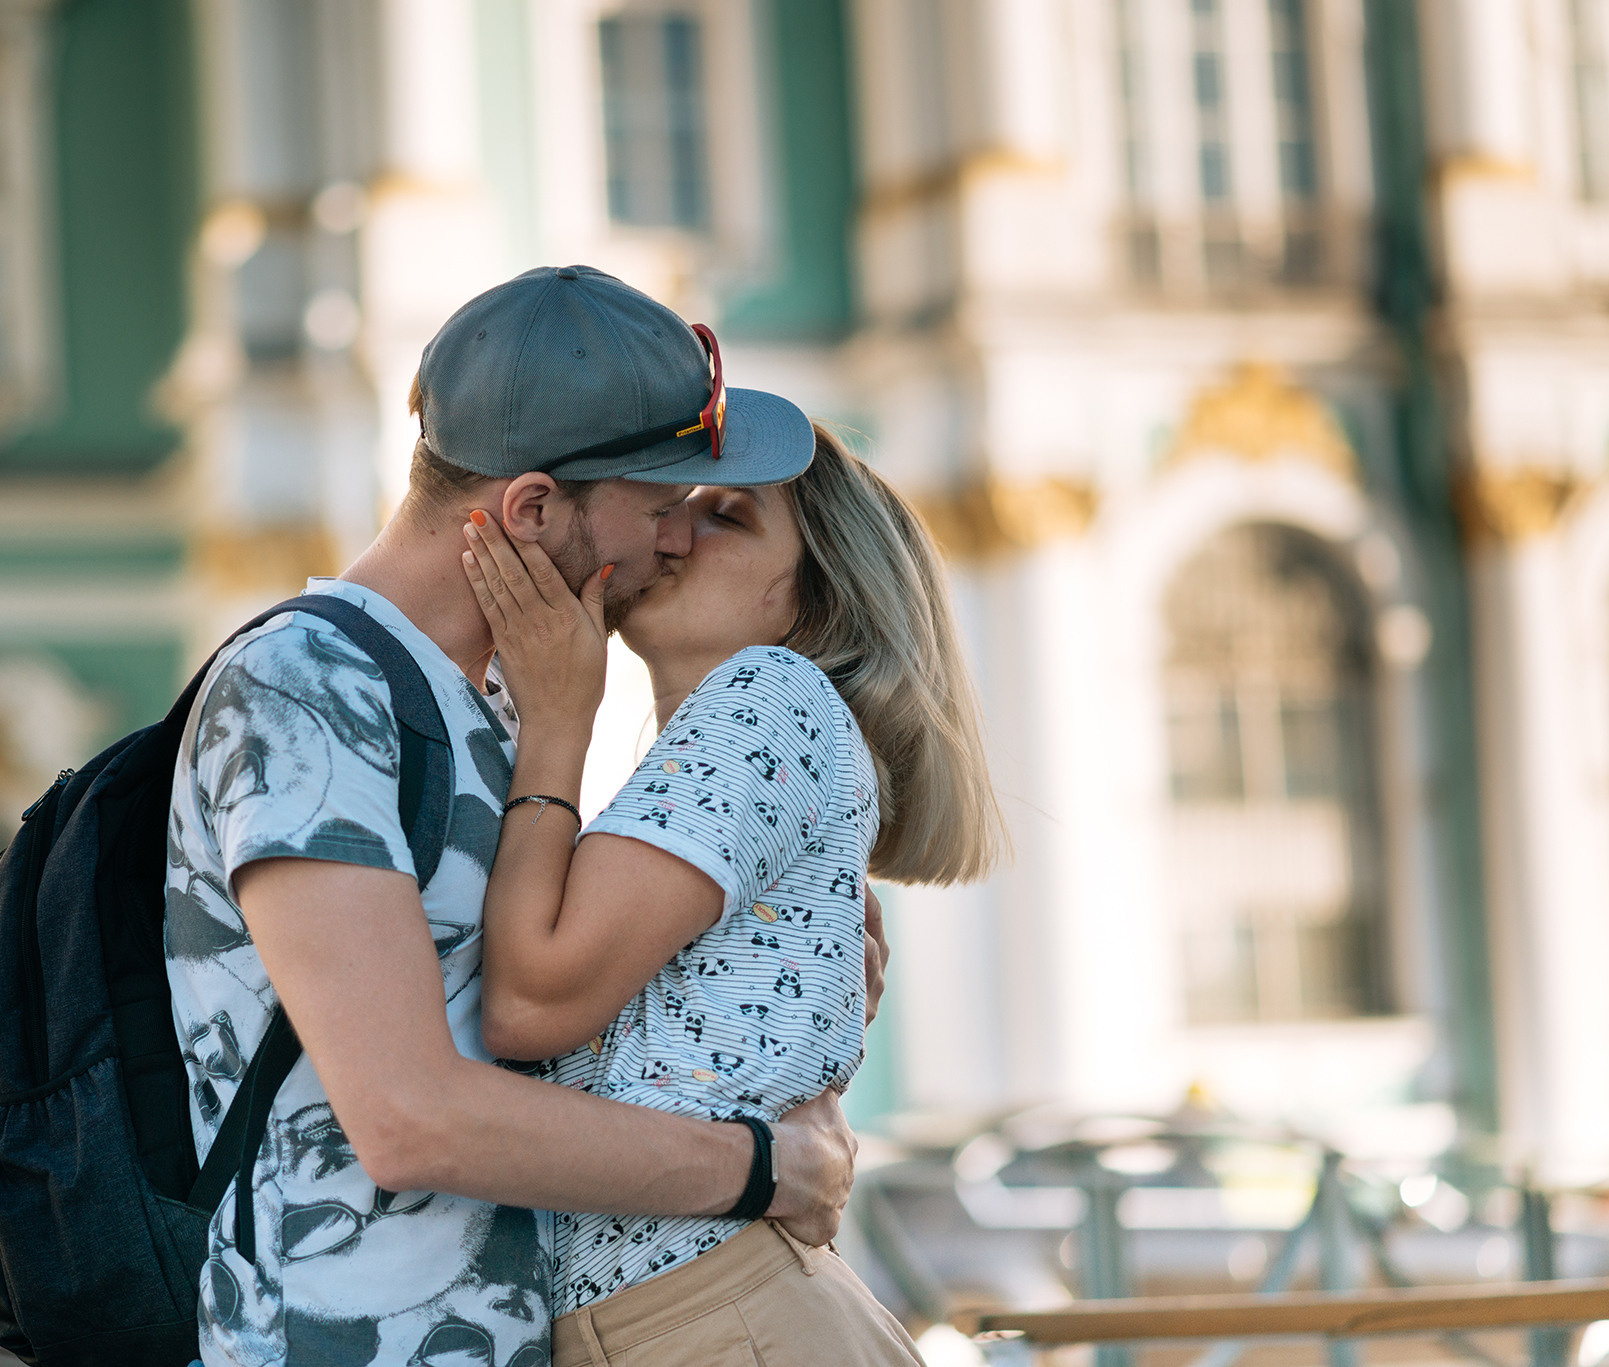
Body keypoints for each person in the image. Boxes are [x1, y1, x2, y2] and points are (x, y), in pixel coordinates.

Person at [165, 265, 871, 1367]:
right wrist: (758, 1165)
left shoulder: (494, 707)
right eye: (654, 504)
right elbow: (409, 1116)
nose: (675, 540)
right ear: (534, 508)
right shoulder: (305, 688)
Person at [459, 424, 1007, 1365]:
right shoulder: (729, 759)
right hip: (714, 1314)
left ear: (812, 594)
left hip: (717, 1318)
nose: (672, 531)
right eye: (670, 503)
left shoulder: (769, 694)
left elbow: (526, 999)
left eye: (727, 517)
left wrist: (557, 717)